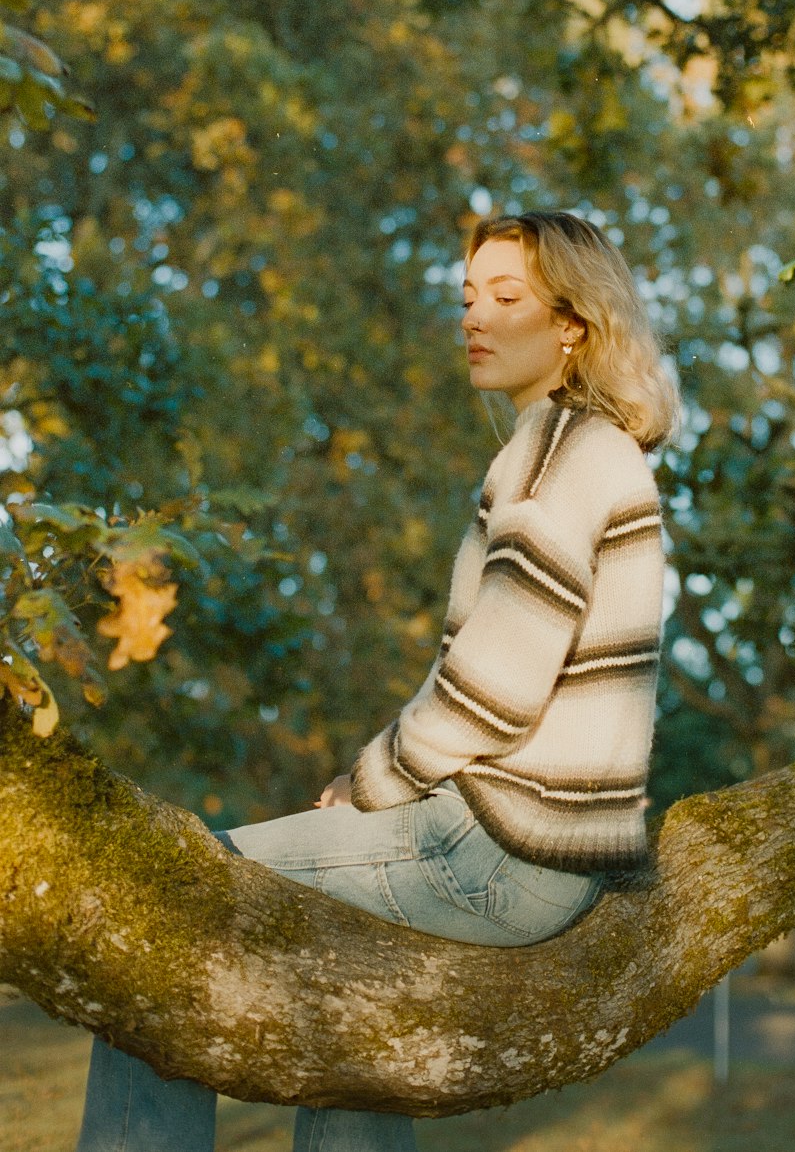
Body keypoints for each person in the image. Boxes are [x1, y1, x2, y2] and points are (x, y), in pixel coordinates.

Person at [75, 210, 680, 1152]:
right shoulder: (591, 449)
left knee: (165, 901)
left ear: (573, 322)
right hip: (539, 853)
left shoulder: (560, 450)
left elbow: (497, 685)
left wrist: (373, 784)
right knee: (355, 1019)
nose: (475, 316)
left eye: (506, 298)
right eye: (468, 297)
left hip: (498, 852)